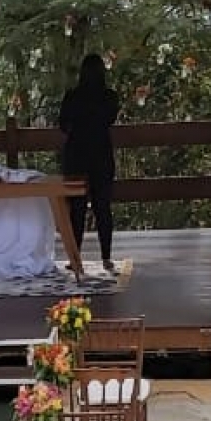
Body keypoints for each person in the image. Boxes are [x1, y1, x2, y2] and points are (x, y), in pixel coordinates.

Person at [59, 53, 119, 276]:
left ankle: (75, 258)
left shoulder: (72, 97)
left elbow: (63, 125)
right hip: (101, 155)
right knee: (103, 207)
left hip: (77, 156)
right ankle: (106, 256)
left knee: (77, 209)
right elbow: (110, 119)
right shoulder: (109, 97)